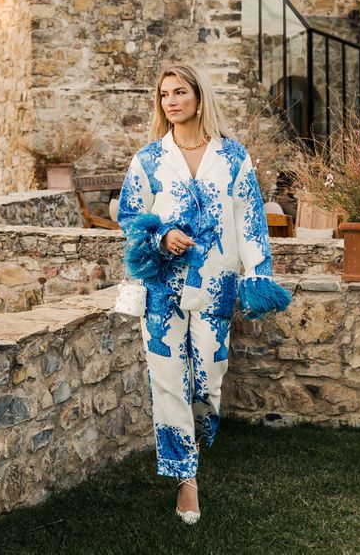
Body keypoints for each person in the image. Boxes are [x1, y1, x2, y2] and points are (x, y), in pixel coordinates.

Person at [117, 63, 290, 524]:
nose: (171, 101)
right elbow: (130, 216)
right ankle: (185, 479)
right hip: (162, 288)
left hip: (216, 285)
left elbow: (250, 219)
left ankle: (194, 441)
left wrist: (258, 273)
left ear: (199, 97)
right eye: (164, 95)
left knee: (209, 378)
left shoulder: (233, 156)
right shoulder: (149, 159)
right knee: (168, 380)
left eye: (179, 92)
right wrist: (160, 237)